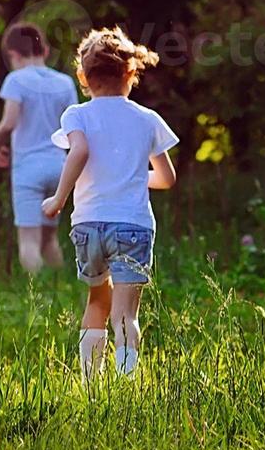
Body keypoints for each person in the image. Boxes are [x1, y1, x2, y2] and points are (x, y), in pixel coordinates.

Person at [41, 27, 179, 379]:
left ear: (83, 77)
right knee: (126, 315)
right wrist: (132, 174)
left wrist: (59, 198)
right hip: (132, 225)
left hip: (88, 226)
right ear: (131, 73)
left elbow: (81, 151)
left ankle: (91, 386)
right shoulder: (148, 119)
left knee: (96, 302)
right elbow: (167, 178)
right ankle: (126, 383)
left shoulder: (77, 115)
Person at [0, 22, 81, 274]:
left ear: (13, 54)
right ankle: (61, 293)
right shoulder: (64, 83)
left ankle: (36, 298)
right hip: (60, 168)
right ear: (46, 50)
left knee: (29, 241)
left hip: (28, 169)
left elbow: (9, 122)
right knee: (49, 239)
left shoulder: (16, 80)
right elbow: (75, 128)